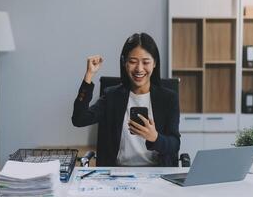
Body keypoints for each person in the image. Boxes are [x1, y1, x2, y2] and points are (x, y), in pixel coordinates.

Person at [72, 33, 180, 167]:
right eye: (133, 62)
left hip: (157, 174)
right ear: (124, 62)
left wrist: (155, 138)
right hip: (118, 174)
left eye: (146, 62)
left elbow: (175, 144)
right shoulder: (112, 96)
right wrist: (89, 76)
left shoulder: (168, 98)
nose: (139, 69)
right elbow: (79, 119)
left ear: (154, 63)